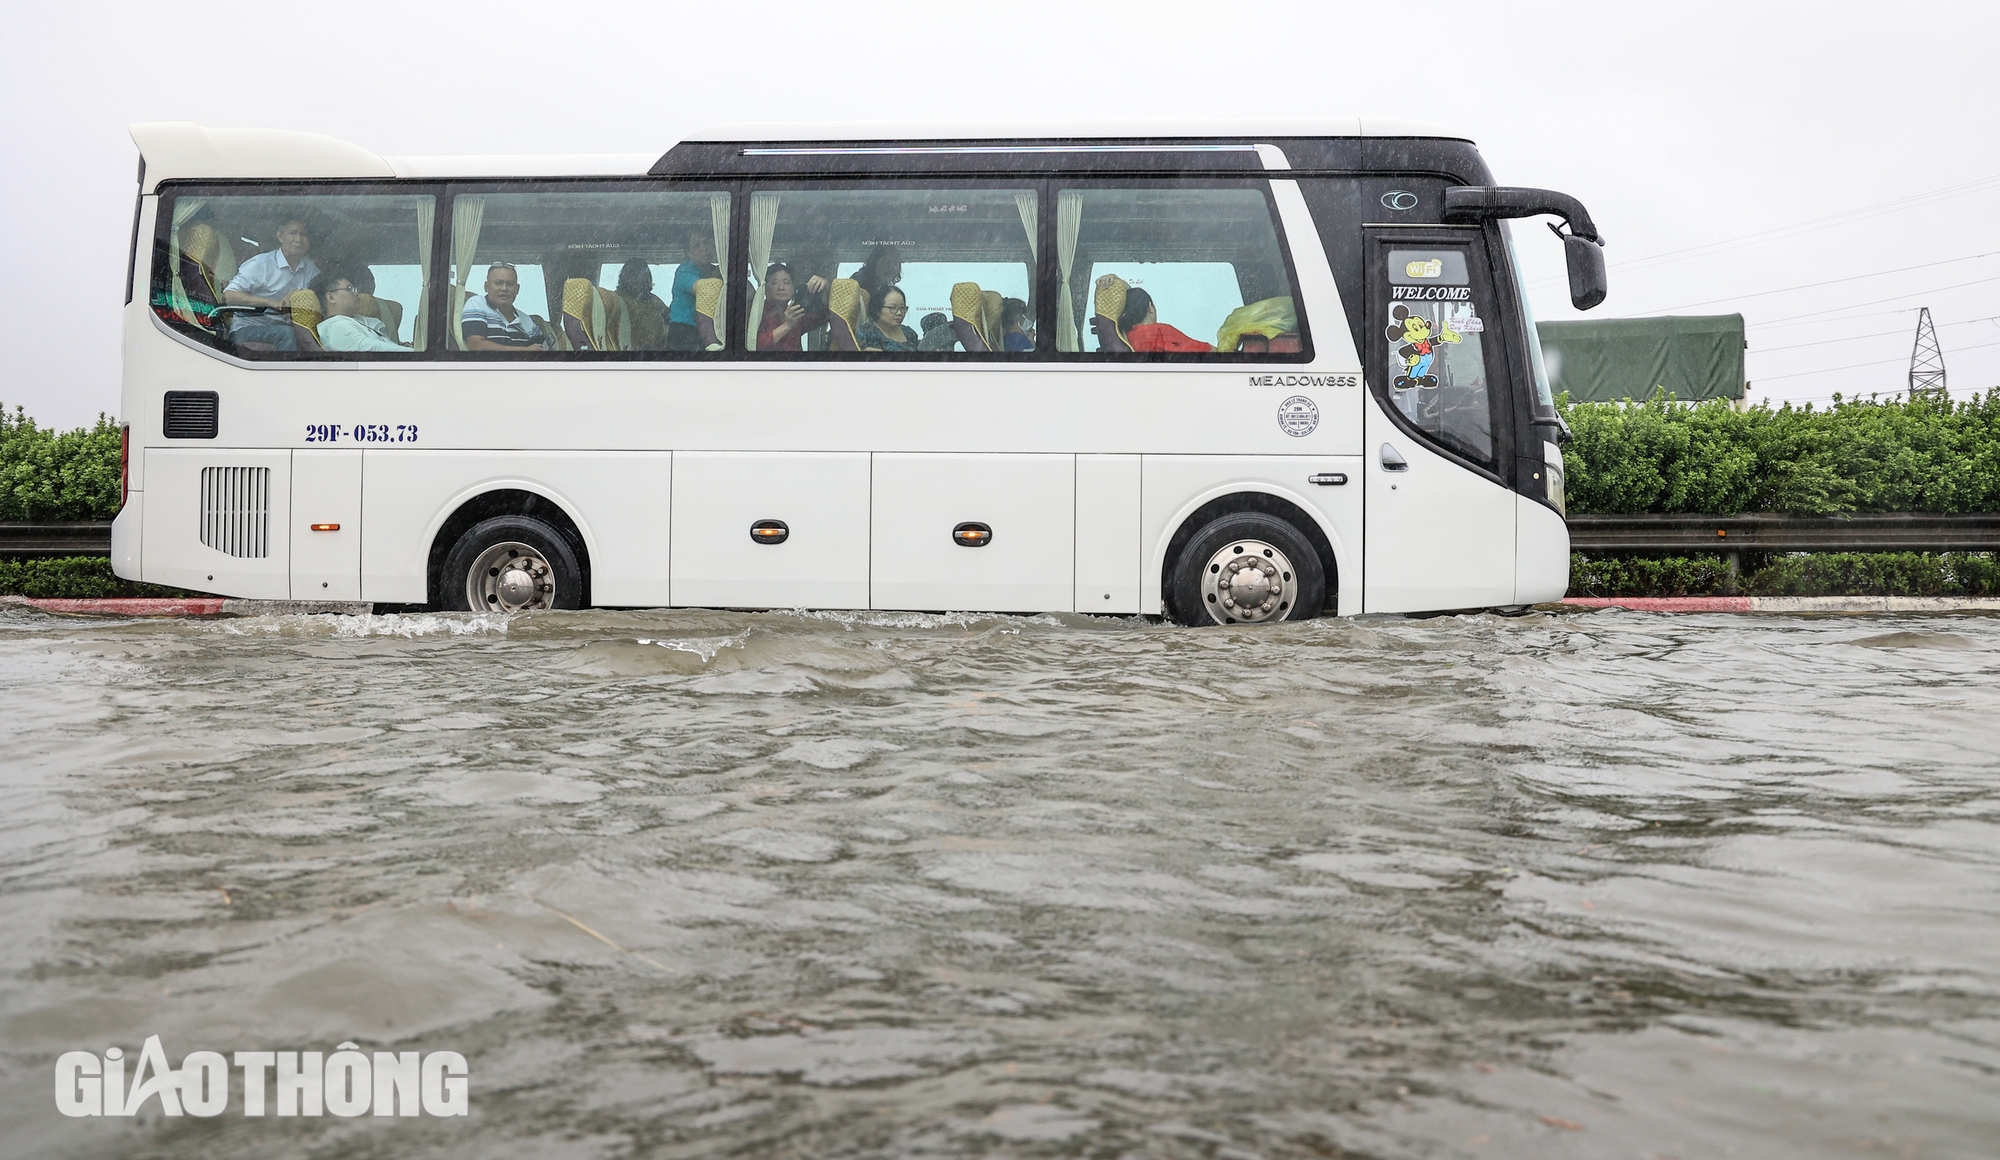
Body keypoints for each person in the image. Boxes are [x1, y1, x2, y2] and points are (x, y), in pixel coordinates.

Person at [222, 217, 320, 349]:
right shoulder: (260, 264)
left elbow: (317, 296)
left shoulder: (310, 267)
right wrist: (271, 303)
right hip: (248, 328)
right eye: (293, 233)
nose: (298, 239)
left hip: (293, 329)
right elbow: (228, 296)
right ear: (280, 236)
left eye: (303, 234)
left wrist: (294, 294)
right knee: (286, 333)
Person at [310, 269, 409, 352]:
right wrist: (417, 354)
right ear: (331, 297)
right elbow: (374, 348)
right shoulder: (337, 328)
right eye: (349, 289)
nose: (356, 293)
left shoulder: (358, 321)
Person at [460, 263, 550, 351]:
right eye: (498, 283)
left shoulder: (527, 321)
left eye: (510, 284)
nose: (504, 288)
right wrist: (525, 350)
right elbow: (477, 345)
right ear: (486, 287)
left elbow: (542, 350)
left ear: (517, 289)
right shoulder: (477, 304)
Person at [1113, 282, 1214, 353]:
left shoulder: (1124, 336)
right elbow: (1202, 350)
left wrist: (1117, 281)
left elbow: (1133, 300)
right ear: (1150, 308)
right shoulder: (1159, 331)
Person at [665, 228, 720, 351]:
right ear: (688, 252)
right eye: (697, 245)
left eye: (707, 243)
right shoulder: (684, 270)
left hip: (709, 331)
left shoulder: (716, 270)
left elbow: (749, 293)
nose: (704, 248)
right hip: (684, 333)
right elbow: (704, 289)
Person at [755, 263, 830, 351]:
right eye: (774, 283)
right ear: (765, 289)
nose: (781, 287)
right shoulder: (756, 312)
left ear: (793, 288)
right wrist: (787, 325)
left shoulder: (796, 312)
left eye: (786, 282)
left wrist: (826, 289)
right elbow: (754, 345)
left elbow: (825, 316)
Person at [616, 261, 670, 351]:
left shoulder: (655, 301)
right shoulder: (615, 300)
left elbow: (669, 322)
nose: (638, 279)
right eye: (633, 275)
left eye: (643, 275)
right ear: (624, 278)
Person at [856, 286, 920, 352]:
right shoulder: (867, 334)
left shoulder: (909, 333)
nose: (899, 313)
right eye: (892, 308)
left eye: (902, 308)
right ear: (878, 309)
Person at [848, 244, 904, 314]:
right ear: (875, 261)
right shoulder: (859, 281)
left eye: (895, 263)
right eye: (887, 261)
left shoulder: (883, 289)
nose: (891, 267)